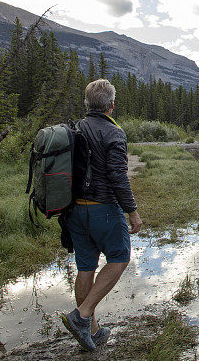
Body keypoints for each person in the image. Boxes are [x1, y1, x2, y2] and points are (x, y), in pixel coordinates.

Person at [61, 79, 142, 351]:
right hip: (103, 210)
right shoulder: (113, 132)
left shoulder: (74, 129)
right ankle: (82, 316)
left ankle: (91, 332)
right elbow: (118, 176)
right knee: (119, 258)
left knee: (85, 268)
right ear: (111, 105)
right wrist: (132, 212)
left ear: (86, 104)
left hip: (74, 211)